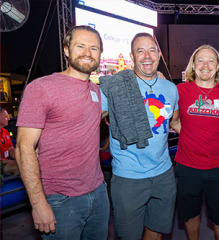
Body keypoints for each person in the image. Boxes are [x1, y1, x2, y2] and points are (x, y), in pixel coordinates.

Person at [15, 25, 110, 239]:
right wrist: (38, 204)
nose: (88, 53)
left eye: (94, 48)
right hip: (60, 200)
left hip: (99, 194)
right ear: (66, 50)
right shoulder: (41, 88)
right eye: (81, 46)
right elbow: (23, 148)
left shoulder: (96, 91)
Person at [100, 32, 179, 240]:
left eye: (152, 50)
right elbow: (88, 119)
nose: (147, 56)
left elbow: (176, 122)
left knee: (156, 231)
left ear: (159, 55)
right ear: (132, 56)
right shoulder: (116, 87)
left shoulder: (171, 89)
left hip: (163, 174)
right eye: (140, 51)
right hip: (129, 178)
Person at [170, 45, 219, 240]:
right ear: (193, 66)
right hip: (187, 167)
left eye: (211, 60)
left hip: (218, 167)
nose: (206, 65)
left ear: (218, 66)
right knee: (190, 216)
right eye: (201, 61)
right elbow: (174, 120)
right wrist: (190, 134)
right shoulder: (180, 90)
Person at [0, 108, 19, 177]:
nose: (9, 119)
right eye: (5, 117)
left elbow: (10, 148)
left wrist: (17, 157)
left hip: (7, 160)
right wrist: (11, 162)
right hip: (2, 164)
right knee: (17, 169)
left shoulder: (5, 132)